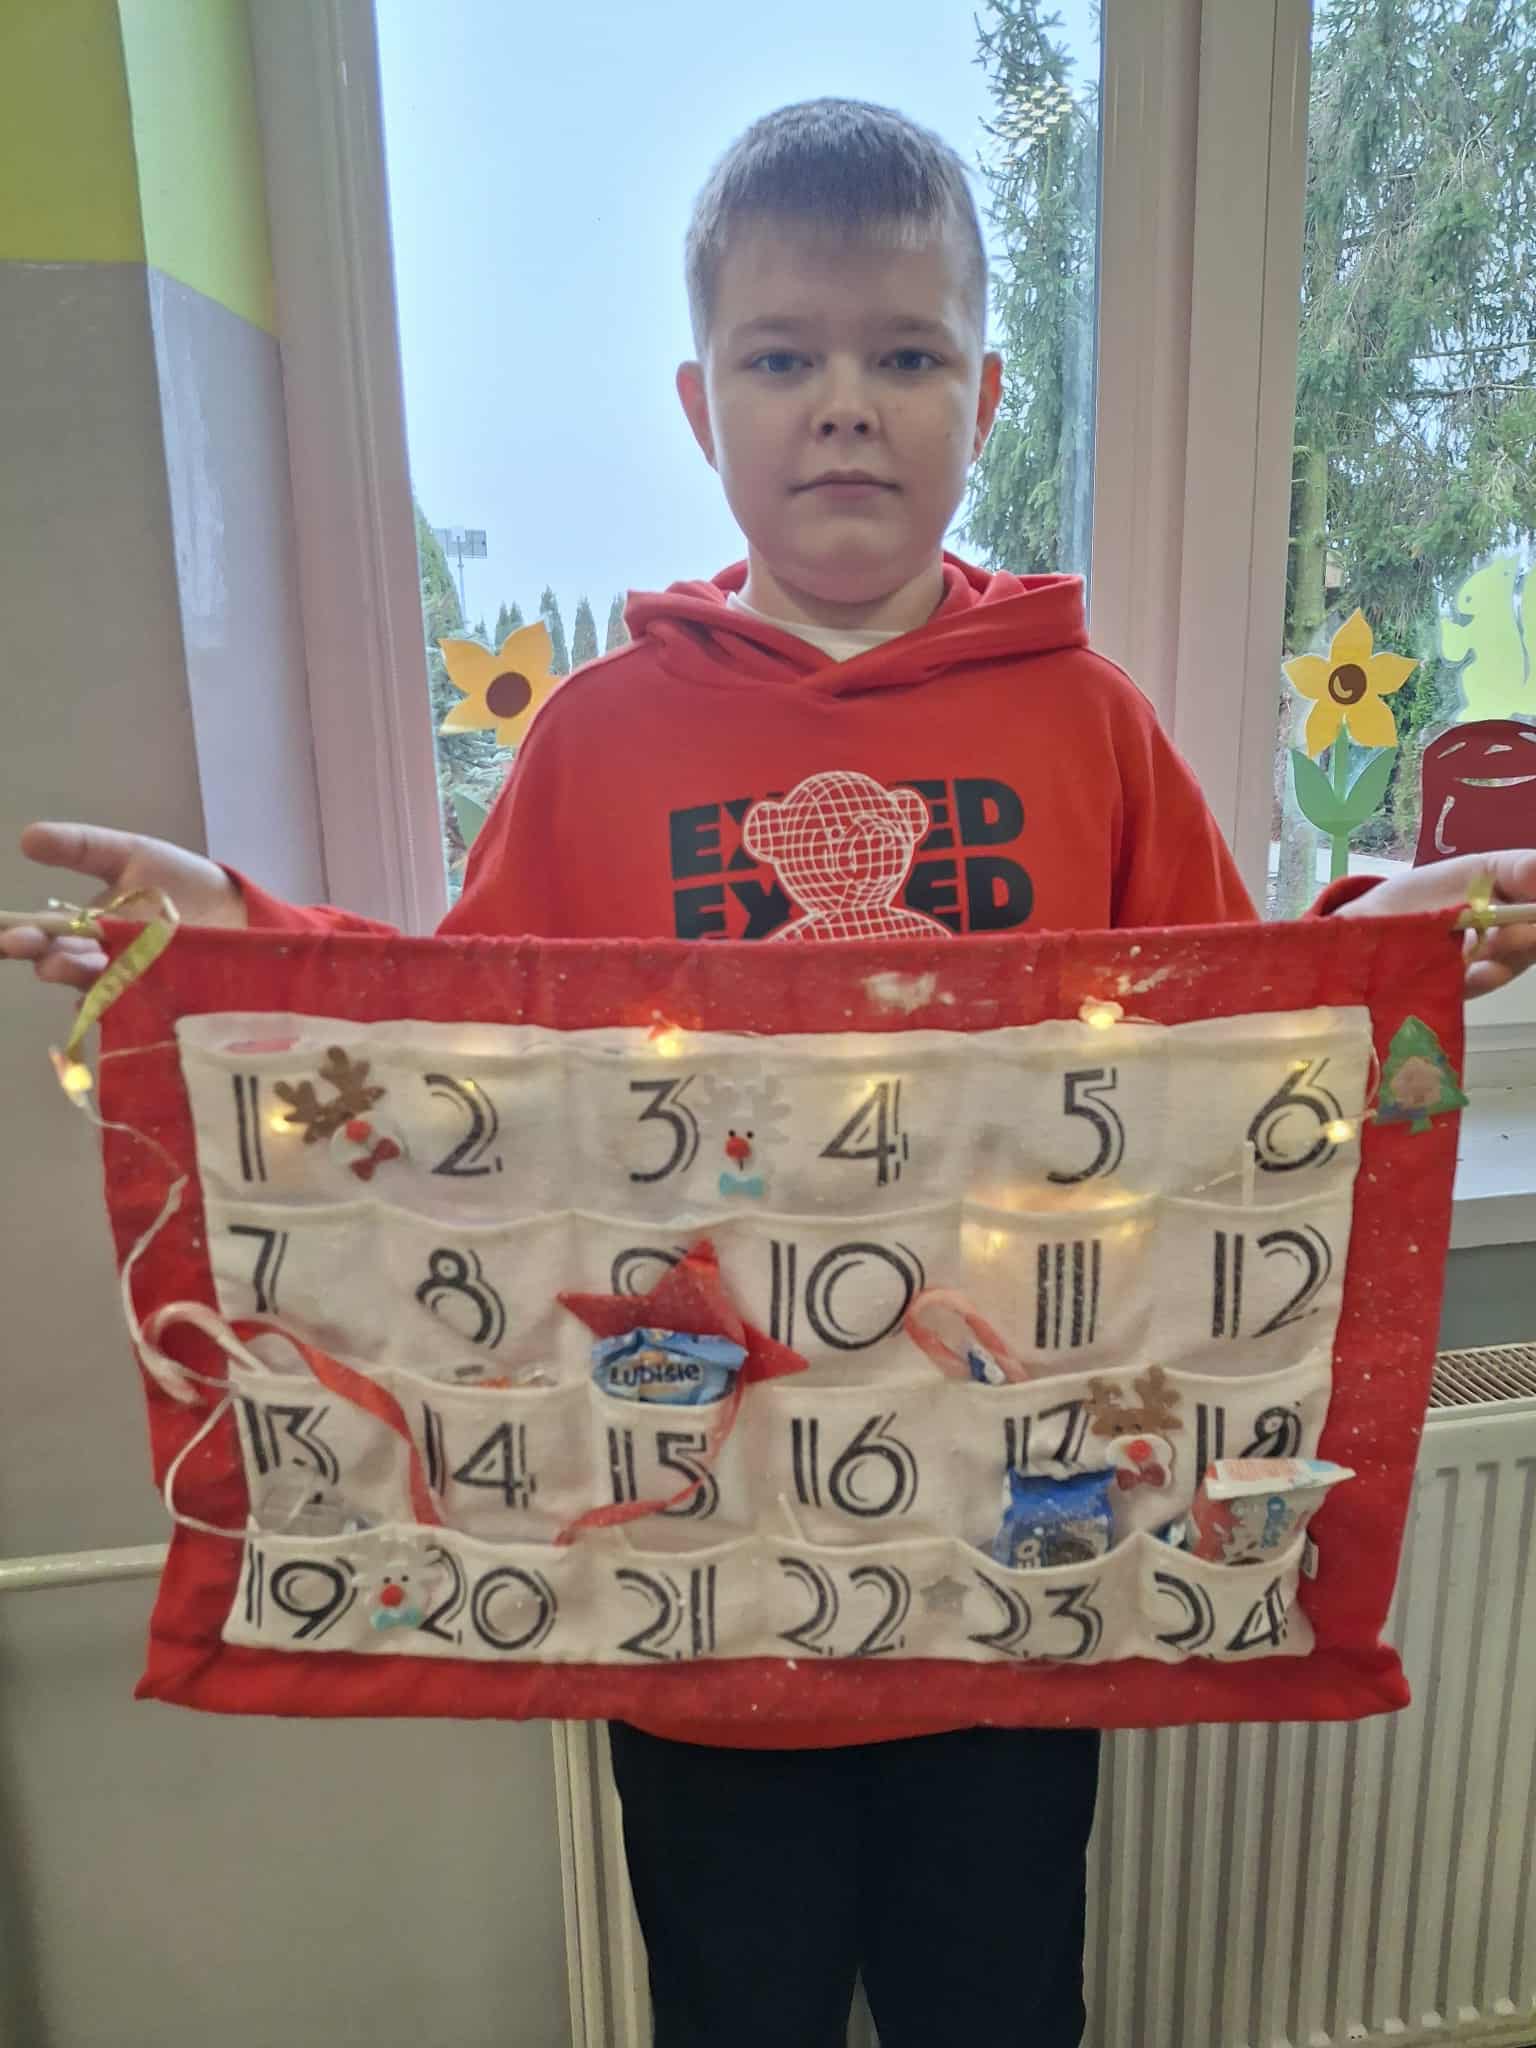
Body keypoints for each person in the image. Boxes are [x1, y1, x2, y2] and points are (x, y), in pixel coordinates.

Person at [6, 100, 1534, 2048]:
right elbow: (455, 1059)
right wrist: (235, 942)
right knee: (739, 2009)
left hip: (1020, 1565)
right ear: (700, 403)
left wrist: (1387, 933)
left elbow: (1239, 1054)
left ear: (985, 398)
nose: (844, 408)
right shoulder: (598, 737)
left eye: (905, 357)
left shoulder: (1088, 722)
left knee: (1000, 2007)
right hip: (696, 1580)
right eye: (783, 358)